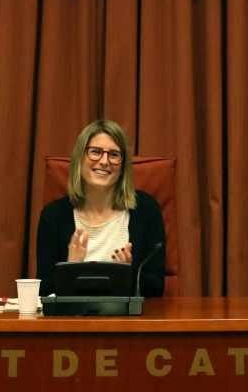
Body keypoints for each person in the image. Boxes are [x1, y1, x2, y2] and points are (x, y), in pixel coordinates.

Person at [36, 119, 165, 297]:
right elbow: (43, 291)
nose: (105, 161)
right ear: (80, 158)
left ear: (123, 166)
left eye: (114, 154)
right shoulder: (53, 216)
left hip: (130, 321)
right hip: (72, 321)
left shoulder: (145, 209)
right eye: (95, 152)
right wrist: (70, 268)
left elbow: (157, 288)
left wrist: (128, 273)